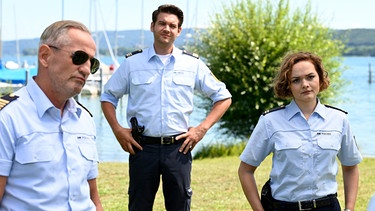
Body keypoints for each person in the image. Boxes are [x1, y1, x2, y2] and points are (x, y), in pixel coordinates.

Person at [100, 4, 232, 211]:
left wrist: (201, 129)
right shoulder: (132, 63)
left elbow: (223, 97)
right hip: (141, 147)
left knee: (179, 206)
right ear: (152, 26)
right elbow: (108, 96)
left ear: (179, 31)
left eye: (172, 25)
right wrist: (117, 129)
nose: (166, 29)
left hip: (178, 148)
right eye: (162, 23)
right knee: (138, 207)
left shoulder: (192, 64)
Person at [238, 52, 362, 211]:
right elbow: (245, 170)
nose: (305, 84)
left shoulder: (339, 119)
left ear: (320, 79)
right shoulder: (270, 121)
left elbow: (350, 166)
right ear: (287, 85)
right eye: (296, 80)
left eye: (310, 77)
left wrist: (349, 209)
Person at [0, 20, 103, 210]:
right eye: (79, 57)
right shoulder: (7, 118)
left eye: (92, 62)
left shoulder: (84, 119)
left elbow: (92, 196)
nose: (87, 69)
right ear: (45, 56)